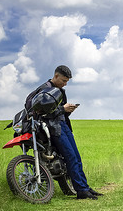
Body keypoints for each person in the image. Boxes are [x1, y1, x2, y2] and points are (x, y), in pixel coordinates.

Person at [26, 65, 103, 200]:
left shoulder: (60, 90)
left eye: (67, 81)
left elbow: (59, 111)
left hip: (63, 126)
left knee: (77, 157)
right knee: (71, 157)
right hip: (53, 128)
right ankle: (81, 191)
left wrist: (67, 111)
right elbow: (40, 114)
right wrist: (63, 109)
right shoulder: (44, 89)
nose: (65, 84)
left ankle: (85, 187)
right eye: (63, 80)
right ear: (56, 76)